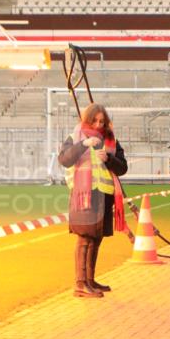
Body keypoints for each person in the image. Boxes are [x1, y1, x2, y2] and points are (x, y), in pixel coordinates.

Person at [57, 103, 128, 298]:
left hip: (104, 195)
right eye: (94, 120)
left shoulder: (111, 141)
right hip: (84, 195)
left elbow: (122, 168)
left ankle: (90, 279)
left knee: (96, 238)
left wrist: (109, 159)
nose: (98, 124)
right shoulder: (75, 137)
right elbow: (64, 159)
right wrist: (83, 145)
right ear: (86, 120)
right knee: (85, 237)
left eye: (101, 121)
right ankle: (80, 283)